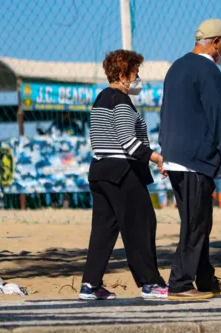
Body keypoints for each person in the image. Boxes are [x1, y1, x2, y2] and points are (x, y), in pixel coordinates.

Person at [158, 18, 221, 300]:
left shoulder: (177, 67)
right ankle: (180, 283)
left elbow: (166, 111)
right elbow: (217, 116)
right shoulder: (209, 71)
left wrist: (164, 152)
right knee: (195, 223)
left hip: (176, 156)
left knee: (199, 220)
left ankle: (205, 278)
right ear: (215, 42)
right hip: (194, 158)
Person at [79, 50, 168, 300]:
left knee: (103, 231)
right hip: (121, 173)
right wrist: (158, 158)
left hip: (99, 171)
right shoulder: (120, 101)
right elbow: (128, 142)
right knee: (142, 224)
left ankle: (90, 284)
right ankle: (150, 283)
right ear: (122, 74)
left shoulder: (101, 98)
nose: (138, 77)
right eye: (135, 73)